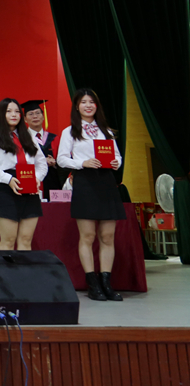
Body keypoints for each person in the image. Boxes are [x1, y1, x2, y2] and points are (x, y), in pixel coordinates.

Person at [57, 88, 125, 302]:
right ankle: (92, 284)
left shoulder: (106, 130)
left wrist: (116, 162)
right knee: (87, 236)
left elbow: (117, 156)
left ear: (97, 106)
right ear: (77, 107)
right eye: (83, 102)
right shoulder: (70, 131)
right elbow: (61, 159)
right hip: (85, 182)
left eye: (92, 102)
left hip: (106, 182)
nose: (88, 105)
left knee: (107, 236)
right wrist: (82, 163)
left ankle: (106, 282)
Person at [0, 98, 48, 251]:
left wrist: (37, 178)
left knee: (26, 239)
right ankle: (5, 268)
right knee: (8, 240)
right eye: (9, 111)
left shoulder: (28, 137)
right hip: (5, 190)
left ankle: (24, 268)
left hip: (29, 190)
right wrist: (7, 179)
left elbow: (42, 163)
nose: (14, 115)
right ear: (1, 114)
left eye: (17, 111)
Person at [22, 100, 63, 191]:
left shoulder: (54, 138)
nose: (35, 116)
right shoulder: (22, 140)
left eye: (38, 113)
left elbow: (65, 161)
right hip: (33, 182)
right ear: (25, 119)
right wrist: (42, 161)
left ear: (43, 116)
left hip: (54, 183)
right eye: (31, 114)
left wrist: (55, 162)